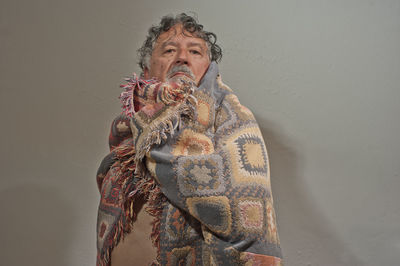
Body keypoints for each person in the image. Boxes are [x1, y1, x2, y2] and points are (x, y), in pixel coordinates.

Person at [96, 13, 283, 266]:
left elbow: (248, 217)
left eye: (195, 51)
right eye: (169, 49)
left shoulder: (235, 123)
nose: (182, 57)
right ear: (147, 69)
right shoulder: (126, 132)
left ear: (210, 69)